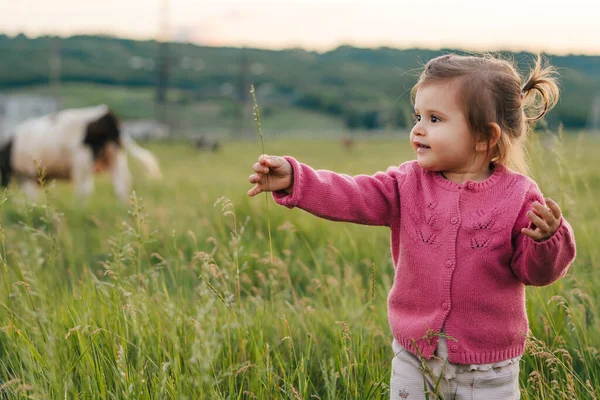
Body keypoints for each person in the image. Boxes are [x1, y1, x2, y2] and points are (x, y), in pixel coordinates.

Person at [247, 53, 576, 399]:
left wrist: (549, 240)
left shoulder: (520, 195)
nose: (418, 128)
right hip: (415, 358)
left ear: (484, 137)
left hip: (490, 369)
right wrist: (298, 180)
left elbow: (537, 273)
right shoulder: (406, 183)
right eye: (418, 116)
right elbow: (354, 194)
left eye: (435, 119)